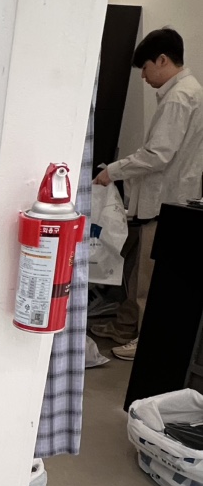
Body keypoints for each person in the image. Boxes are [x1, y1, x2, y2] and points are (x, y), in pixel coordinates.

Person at [91, 27, 203, 360]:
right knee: (136, 269)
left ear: (163, 60)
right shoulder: (186, 92)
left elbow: (158, 155)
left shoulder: (179, 97)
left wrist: (113, 171)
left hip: (166, 200)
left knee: (148, 279)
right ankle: (125, 325)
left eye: (146, 67)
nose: (143, 76)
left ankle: (145, 339)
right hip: (168, 197)